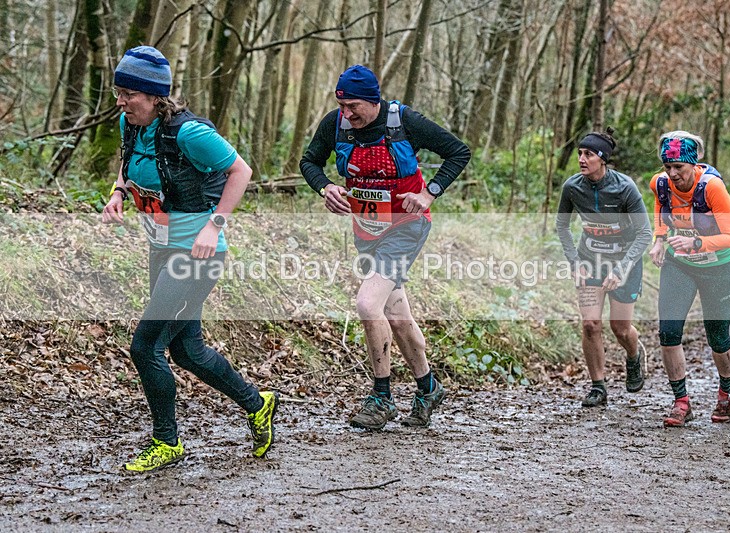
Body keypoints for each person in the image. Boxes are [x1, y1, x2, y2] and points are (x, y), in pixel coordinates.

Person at [101, 46, 278, 472]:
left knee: (145, 346)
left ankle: (167, 442)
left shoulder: (188, 133)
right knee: (187, 350)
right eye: (118, 92)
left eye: (128, 93)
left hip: (197, 256)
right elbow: (129, 167)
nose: (121, 102)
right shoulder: (132, 124)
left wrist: (213, 225)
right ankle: (258, 403)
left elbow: (242, 172)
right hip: (161, 250)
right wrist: (118, 193)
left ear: (155, 95)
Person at [300, 65, 470, 430]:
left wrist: (428, 194)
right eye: (342, 107)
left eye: (354, 107)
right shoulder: (335, 124)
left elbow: (459, 152)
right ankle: (428, 386)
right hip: (366, 230)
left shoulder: (405, 121)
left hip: (406, 228)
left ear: (374, 101)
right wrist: (325, 187)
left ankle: (382, 396)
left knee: (367, 303)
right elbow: (309, 161)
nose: (347, 115)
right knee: (395, 313)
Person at [649, 131, 730, 427]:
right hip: (681, 265)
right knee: (669, 331)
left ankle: (726, 392)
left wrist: (698, 243)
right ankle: (681, 402)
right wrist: (659, 239)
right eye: (668, 167)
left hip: (718, 268)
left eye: (679, 167)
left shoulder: (711, 188)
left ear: (693, 164)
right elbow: (661, 207)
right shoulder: (660, 183)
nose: (673, 174)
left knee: (717, 336)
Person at [555, 129, 652, 407]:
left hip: (625, 262)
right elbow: (562, 226)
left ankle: (634, 355)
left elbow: (644, 233)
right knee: (590, 325)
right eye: (579, 154)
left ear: (603, 159)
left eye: (588, 154)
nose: (581, 159)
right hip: (590, 261)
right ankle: (598, 386)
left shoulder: (625, 188)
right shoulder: (572, 187)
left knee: (620, 328)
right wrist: (574, 262)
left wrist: (621, 269)